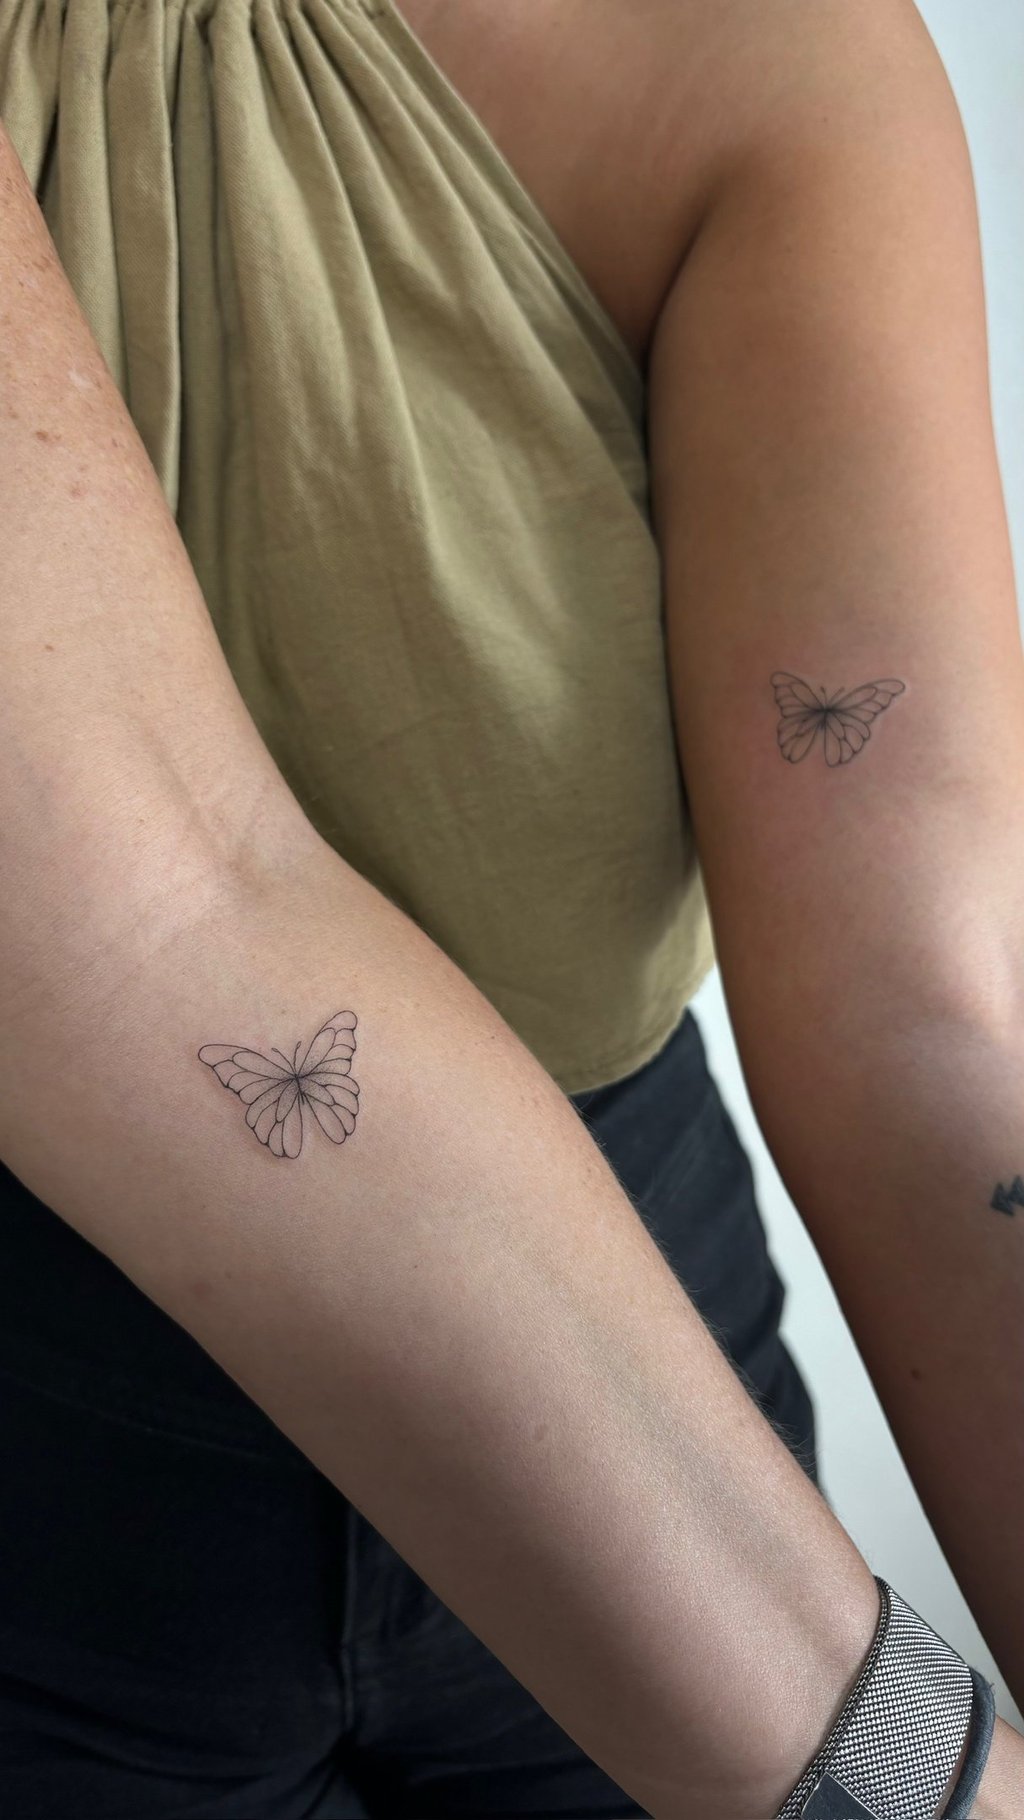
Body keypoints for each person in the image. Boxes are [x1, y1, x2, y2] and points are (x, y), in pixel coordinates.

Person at [0, 0, 1022, 1814]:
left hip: (644, 1307)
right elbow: (166, 931)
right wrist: (910, 1781)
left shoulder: (765, 47)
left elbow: (940, 1025)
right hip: (55, 1431)